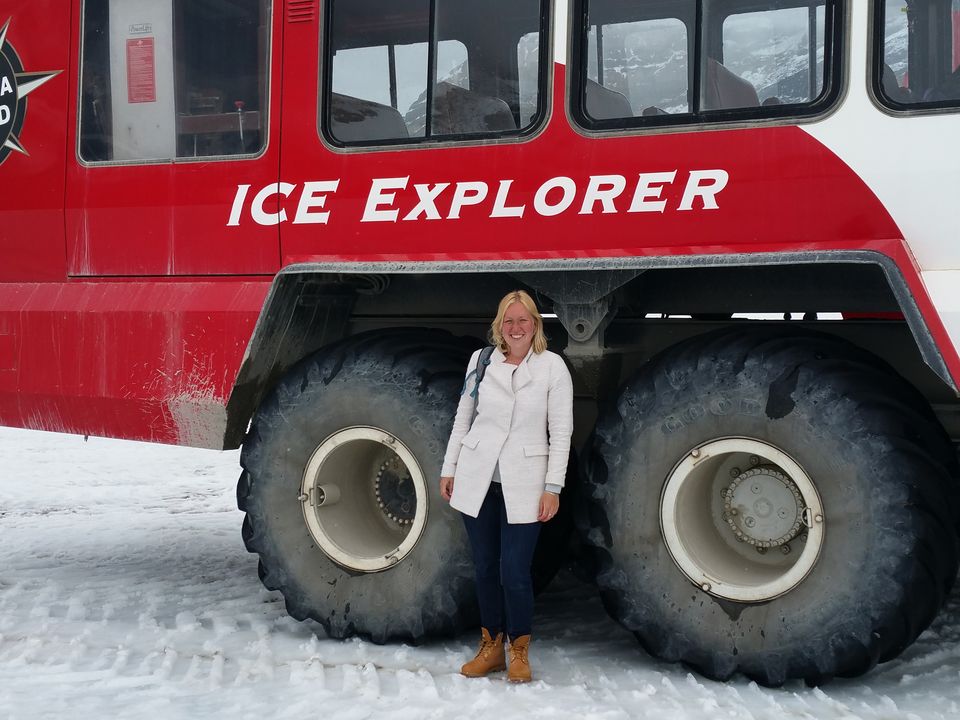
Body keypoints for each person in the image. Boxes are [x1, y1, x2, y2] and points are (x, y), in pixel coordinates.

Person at [440, 289, 574, 683]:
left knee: (514, 571)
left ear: (536, 324)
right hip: (477, 478)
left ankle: (519, 649)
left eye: (523, 320)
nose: (516, 328)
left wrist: (554, 486)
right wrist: (449, 469)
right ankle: (490, 646)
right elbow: (462, 419)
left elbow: (561, 432)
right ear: (500, 326)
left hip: (527, 483)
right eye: (508, 321)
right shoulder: (481, 362)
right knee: (484, 567)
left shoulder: (552, 368)